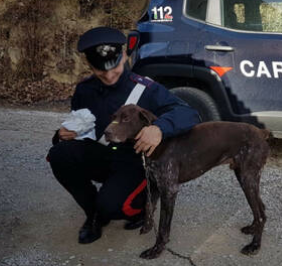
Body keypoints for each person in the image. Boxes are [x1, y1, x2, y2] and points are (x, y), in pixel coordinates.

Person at [47, 26, 200, 244]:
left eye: (115, 67)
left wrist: (159, 128)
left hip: (133, 160)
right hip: (102, 152)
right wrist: (61, 134)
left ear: (125, 55)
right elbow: (80, 125)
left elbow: (189, 113)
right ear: (89, 65)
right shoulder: (84, 90)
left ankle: (139, 206)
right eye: (101, 71)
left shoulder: (146, 89)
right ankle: (94, 215)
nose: (109, 76)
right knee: (59, 154)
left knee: (113, 206)